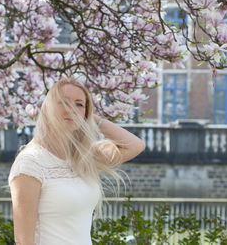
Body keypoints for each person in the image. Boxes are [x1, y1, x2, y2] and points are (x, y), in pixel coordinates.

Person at [8, 77, 146, 244]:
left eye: (79, 104)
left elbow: (135, 146)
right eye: (63, 102)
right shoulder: (30, 163)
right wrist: (79, 110)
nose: (71, 109)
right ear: (48, 108)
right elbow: (23, 241)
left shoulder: (82, 157)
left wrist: (93, 119)